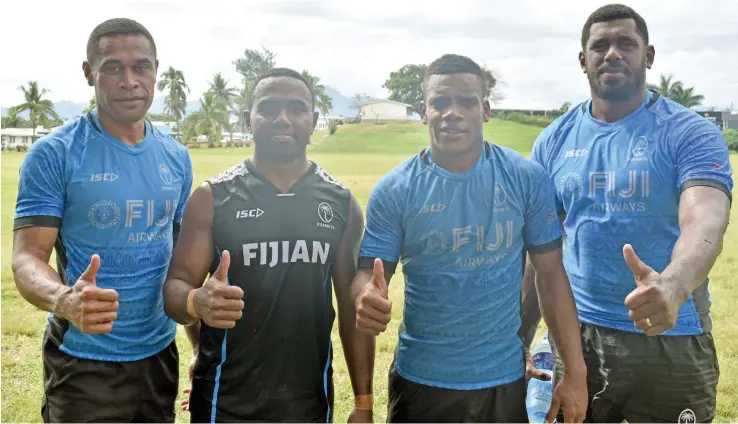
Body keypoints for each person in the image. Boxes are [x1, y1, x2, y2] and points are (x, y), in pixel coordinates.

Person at [523, 4, 733, 423]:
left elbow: (705, 216)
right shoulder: (554, 141)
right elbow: (538, 252)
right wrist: (519, 338)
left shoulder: (689, 132)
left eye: (626, 43)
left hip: (670, 335)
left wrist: (674, 285)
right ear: (583, 60)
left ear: (648, 56)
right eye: (600, 45)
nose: (612, 53)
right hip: (577, 336)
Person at [352, 53, 588, 423]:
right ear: (423, 111)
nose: (453, 112)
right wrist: (364, 296)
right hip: (420, 381)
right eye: (440, 102)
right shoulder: (395, 189)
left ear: (486, 109)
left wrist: (575, 373)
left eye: (466, 101)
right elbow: (367, 275)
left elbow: (551, 275)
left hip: (503, 381)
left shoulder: (526, 178)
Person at [162, 67, 376, 423]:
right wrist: (195, 301)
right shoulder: (213, 197)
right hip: (223, 402)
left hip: (308, 404)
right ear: (249, 119)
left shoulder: (340, 203)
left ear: (314, 119)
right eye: (269, 107)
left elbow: (352, 311)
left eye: (296, 108)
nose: (282, 118)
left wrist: (364, 403)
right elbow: (175, 288)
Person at [11, 18, 193, 423]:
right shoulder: (55, 153)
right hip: (83, 361)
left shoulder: (176, 157)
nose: (129, 80)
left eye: (141, 67)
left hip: (159, 355)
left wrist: (197, 348)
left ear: (156, 70)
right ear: (89, 73)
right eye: (113, 67)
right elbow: (28, 257)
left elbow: (180, 266)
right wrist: (63, 300)